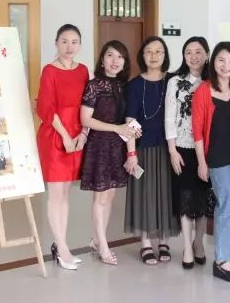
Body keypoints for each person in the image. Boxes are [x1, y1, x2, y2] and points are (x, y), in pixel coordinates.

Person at [192, 42, 230, 282]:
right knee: (227, 205)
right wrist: (201, 162)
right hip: (217, 158)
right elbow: (197, 132)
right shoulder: (203, 91)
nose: (226, 66)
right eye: (221, 60)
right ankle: (221, 260)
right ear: (213, 61)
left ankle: (229, 253)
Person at [80, 40, 139, 266]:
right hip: (99, 145)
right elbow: (86, 119)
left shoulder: (126, 87)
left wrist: (131, 146)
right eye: (110, 55)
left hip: (118, 146)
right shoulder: (94, 85)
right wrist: (116, 128)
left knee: (110, 195)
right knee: (100, 196)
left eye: (120, 57)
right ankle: (103, 245)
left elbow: (129, 121)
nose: (115, 61)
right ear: (102, 60)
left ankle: (98, 240)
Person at [36, 24, 89, 270]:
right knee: (56, 193)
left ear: (80, 45)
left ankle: (61, 244)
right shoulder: (49, 71)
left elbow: (88, 104)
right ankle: (62, 247)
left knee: (66, 193)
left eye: (74, 42)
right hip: (55, 134)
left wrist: (83, 134)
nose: (69, 46)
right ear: (56, 42)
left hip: (76, 134)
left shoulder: (83, 70)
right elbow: (46, 107)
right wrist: (66, 136)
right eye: (64, 41)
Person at [124, 36, 180, 265]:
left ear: (165, 55)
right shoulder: (134, 85)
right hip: (143, 148)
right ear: (142, 56)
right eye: (149, 51)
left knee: (167, 194)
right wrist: (131, 154)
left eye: (159, 51)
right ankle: (146, 243)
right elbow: (130, 120)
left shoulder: (174, 82)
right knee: (144, 194)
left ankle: (164, 241)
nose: (154, 56)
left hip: (169, 148)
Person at [164, 36, 214, 269]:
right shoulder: (175, 81)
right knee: (185, 198)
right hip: (183, 148)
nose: (193, 57)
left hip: (208, 149)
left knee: (203, 199)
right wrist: (172, 150)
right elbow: (169, 118)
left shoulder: (214, 81)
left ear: (207, 55)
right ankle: (186, 246)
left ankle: (199, 242)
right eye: (188, 52)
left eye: (198, 51)